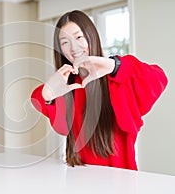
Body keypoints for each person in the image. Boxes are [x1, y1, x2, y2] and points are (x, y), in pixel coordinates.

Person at [31, 10, 168, 170]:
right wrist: (48, 95)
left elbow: (158, 78)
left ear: (91, 36)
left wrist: (114, 66)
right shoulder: (67, 86)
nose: (73, 48)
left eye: (78, 37)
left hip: (119, 180)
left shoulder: (117, 78)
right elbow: (59, 124)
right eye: (65, 42)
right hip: (78, 177)